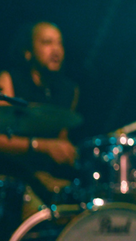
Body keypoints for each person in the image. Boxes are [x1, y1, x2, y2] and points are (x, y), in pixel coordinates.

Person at [0, 21, 79, 213]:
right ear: (28, 52)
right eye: (47, 42)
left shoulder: (69, 91)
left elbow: (61, 140)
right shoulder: (8, 80)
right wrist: (42, 146)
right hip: (9, 176)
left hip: (45, 178)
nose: (56, 50)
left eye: (59, 43)